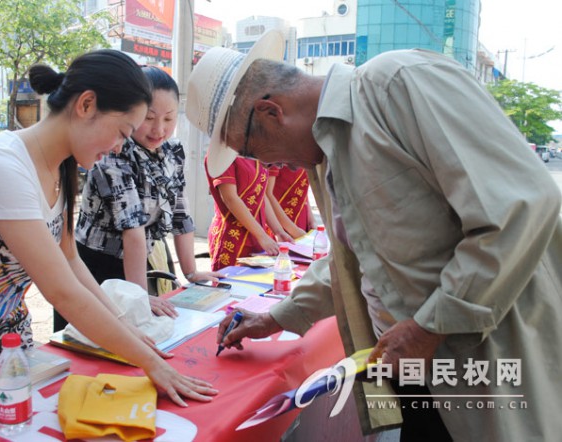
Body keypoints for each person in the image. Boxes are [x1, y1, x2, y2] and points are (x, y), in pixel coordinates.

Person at [185, 30, 562, 440]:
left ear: (272, 112)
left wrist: (428, 328)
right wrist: (276, 317)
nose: (276, 167)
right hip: (416, 369)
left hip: (484, 357)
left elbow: (519, 207)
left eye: (254, 152)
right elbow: (356, 264)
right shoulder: (326, 155)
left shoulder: (399, 83)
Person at [0, 49, 217, 407]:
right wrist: (149, 363)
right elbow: (61, 290)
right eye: (121, 132)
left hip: (2, 353)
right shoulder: (2, 163)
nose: (118, 146)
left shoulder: (61, 169)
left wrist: (125, 326)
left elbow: (70, 260)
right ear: (86, 104)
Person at [75, 66, 222, 320]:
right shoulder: (114, 149)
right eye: (149, 118)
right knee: (105, 334)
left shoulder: (173, 150)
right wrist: (139, 296)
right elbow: (132, 228)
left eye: (169, 119)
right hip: (98, 263)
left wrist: (191, 273)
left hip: (141, 258)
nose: (159, 130)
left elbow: (180, 212)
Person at [205, 155, 292, 271]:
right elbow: (230, 198)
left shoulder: (254, 154)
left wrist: (278, 231)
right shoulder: (222, 153)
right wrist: (262, 236)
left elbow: (260, 196)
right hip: (232, 237)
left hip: (257, 235)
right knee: (231, 284)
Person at [266, 165, 316, 239]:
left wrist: (311, 221)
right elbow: (267, 194)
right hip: (280, 223)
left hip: (302, 220)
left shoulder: (305, 155)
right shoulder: (275, 157)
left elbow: (302, 189)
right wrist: (294, 231)